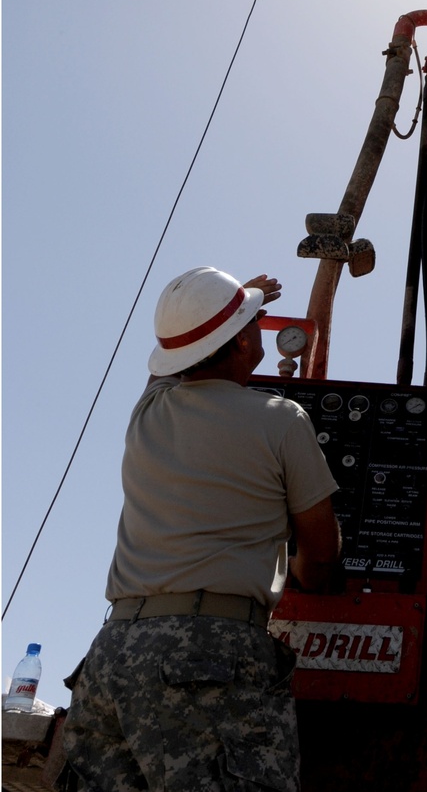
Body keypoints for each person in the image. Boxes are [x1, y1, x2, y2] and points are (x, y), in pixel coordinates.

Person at [62, 267, 340, 791]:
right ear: (241, 341)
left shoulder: (147, 412)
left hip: (113, 652)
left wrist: (222, 306)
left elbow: (169, 362)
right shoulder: (283, 420)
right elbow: (321, 557)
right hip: (211, 650)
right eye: (252, 319)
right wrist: (304, 574)